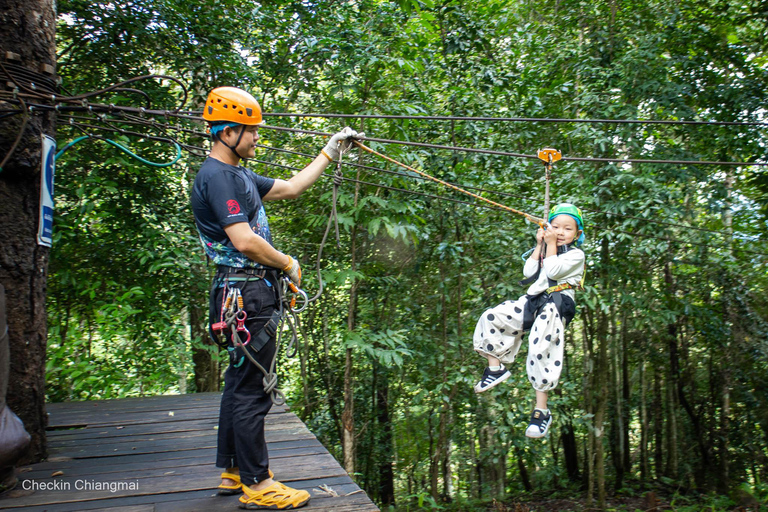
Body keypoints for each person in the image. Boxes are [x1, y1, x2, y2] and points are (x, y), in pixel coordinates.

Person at [190, 86, 361, 509]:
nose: (256, 139)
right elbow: (244, 240)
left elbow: (290, 188)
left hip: (244, 293)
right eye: (249, 132)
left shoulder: (239, 175)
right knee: (253, 390)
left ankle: (233, 471)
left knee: (238, 384)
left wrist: (328, 151)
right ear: (227, 132)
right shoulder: (217, 177)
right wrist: (286, 263)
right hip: (244, 293)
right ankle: (257, 481)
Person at [472, 203, 585, 438]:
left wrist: (551, 244)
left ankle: (541, 411)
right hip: (534, 299)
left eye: (567, 229)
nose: (561, 232)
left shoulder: (576, 255)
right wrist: (540, 245)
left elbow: (553, 272)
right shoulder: (548, 249)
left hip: (557, 303)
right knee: (492, 317)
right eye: (555, 227)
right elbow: (528, 272)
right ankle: (495, 368)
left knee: (540, 347)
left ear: (577, 234)